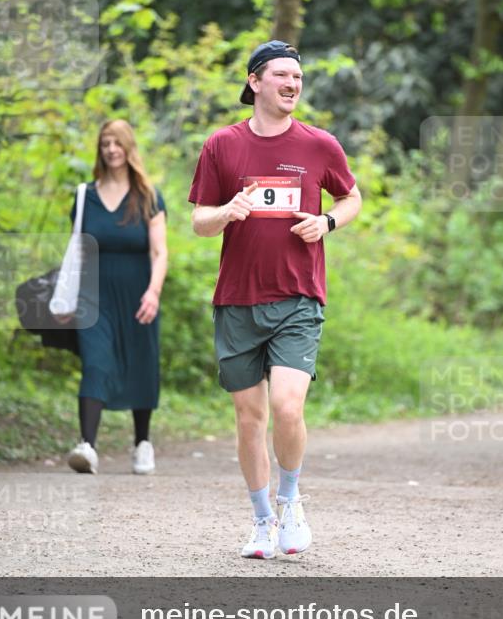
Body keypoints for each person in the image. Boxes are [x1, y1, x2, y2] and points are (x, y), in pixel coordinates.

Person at [189, 40, 362, 558]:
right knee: (250, 418)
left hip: (298, 297)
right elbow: (199, 221)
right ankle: (262, 520)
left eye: (298, 77)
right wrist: (227, 212)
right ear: (255, 81)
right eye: (282, 75)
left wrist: (327, 222)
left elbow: (351, 197)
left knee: (287, 406)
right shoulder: (222, 145)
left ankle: (291, 502)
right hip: (237, 299)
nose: (292, 84)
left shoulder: (319, 145)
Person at [65, 119, 167, 475]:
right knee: (95, 362)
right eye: (105, 143)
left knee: (141, 362)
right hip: (92, 295)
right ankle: (87, 446)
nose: (111, 149)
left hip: (139, 293)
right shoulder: (85, 196)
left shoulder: (148, 196)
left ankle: (142, 443)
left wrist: (153, 292)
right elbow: (76, 250)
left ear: (129, 147)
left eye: (117, 142)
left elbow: (160, 252)